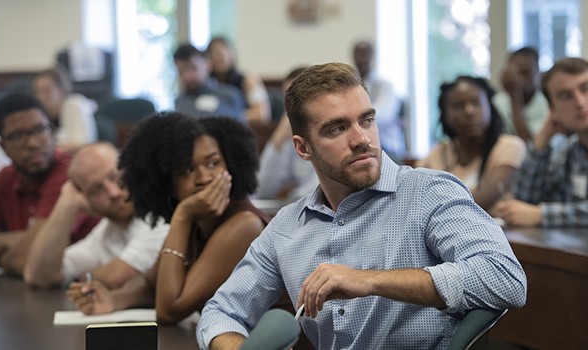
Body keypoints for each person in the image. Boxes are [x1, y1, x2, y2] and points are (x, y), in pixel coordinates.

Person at [196, 63, 527, 349]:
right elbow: (221, 313)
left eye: (366, 120)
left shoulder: (429, 192)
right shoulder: (286, 227)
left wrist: (369, 280)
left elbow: (505, 278)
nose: (361, 139)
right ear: (303, 148)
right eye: (338, 128)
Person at [66, 114, 268, 324]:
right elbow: (149, 284)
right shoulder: (197, 221)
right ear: (168, 183)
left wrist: (182, 214)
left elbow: (170, 310)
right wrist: (113, 300)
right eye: (188, 170)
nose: (204, 178)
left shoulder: (244, 225)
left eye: (213, 163)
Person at [23, 142, 169, 289]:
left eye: (116, 177)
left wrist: (82, 279)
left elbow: (118, 278)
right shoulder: (106, 231)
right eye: (96, 189)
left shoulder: (159, 214)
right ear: (86, 199)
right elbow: (39, 276)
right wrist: (65, 205)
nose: (114, 193)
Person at [0, 93, 98, 273]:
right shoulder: (4, 180)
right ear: (3, 147)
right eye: (17, 136)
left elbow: (28, 261)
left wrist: (5, 246)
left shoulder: (71, 173)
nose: (32, 143)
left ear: (53, 132)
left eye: (40, 130)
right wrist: (25, 240)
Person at [494, 57, 588, 227]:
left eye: (585, 88)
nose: (580, 102)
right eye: (565, 96)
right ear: (553, 110)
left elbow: (532, 212)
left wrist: (540, 215)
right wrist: (542, 140)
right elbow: (524, 201)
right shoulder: (567, 152)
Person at [416, 76, 526, 215]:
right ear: (445, 114)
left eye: (476, 103)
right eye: (458, 106)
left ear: (489, 107)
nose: (469, 111)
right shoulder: (439, 152)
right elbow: (415, 198)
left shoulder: (510, 146)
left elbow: (481, 201)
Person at [255, 66, 317, 201]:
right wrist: (277, 139)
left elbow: (319, 192)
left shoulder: (328, 133)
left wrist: (289, 199)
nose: (291, 109)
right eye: (287, 101)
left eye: (297, 100)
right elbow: (261, 191)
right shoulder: (288, 136)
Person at [353, 40, 406, 160]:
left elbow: (382, 116)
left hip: (387, 147)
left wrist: (354, 115)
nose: (361, 59)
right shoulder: (350, 86)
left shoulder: (385, 85)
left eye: (365, 54)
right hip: (360, 145)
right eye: (358, 54)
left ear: (373, 57)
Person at [31, 67, 98, 151]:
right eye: (37, 91)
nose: (41, 96)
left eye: (46, 90)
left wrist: (46, 151)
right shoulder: (39, 115)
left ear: (61, 90)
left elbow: (82, 144)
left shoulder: (74, 103)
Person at [207, 37, 272, 124]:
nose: (219, 55)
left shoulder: (249, 80)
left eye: (223, 49)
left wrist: (232, 115)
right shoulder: (206, 84)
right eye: (213, 52)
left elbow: (261, 113)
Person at [173, 43, 245, 121]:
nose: (188, 77)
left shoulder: (230, 95)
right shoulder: (180, 102)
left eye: (193, 68)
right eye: (181, 71)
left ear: (207, 64)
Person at [493, 47, 549, 142]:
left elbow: (530, 145)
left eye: (525, 72)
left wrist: (515, 96)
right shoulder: (497, 102)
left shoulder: (547, 104)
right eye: (514, 73)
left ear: (538, 73)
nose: (517, 79)